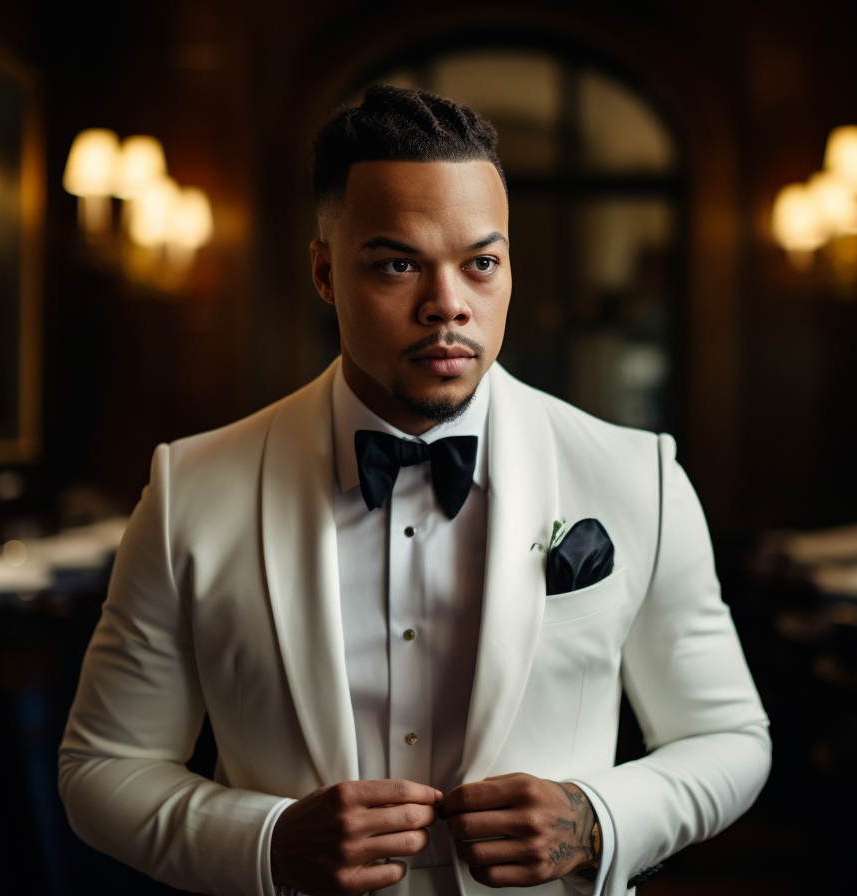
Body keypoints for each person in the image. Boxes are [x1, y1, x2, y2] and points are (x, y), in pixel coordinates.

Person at [58, 85, 770, 896]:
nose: (448, 306)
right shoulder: (190, 489)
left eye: (481, 263)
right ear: (325, 273)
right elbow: (101, 767)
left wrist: (598, 818)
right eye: (399, 264)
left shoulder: (636, 475)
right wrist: (265, 843)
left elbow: (730, 735)